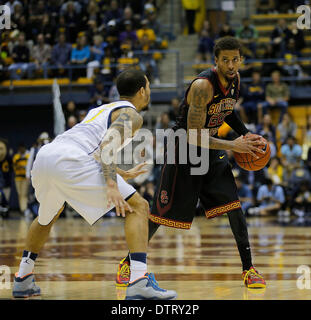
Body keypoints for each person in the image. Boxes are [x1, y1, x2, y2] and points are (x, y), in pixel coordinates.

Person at [12, 69, 177, 300]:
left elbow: (93, 149)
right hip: (71, 161)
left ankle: (23, 278)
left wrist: (119, 173)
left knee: (46, 216)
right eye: (148, 86)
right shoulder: (133, 115)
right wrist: (111, 183)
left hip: (46, 156)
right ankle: (139, 280)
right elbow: (107, 145)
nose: (149, 91)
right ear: (142, 91)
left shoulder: (101, 109)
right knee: (139, 207)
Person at [117, 37, 267, 289]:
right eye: (225, 60)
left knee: (234, 207)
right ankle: (128, 263)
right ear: (216, 61)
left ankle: (248, 269)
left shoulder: (236, 81)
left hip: (212, 151)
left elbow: (227, 109)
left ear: (241, 60)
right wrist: (233, 145)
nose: (231, 65)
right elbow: (195, 135)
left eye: (235, 60)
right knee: (160, 214)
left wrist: (244, 133)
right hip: (184, 151)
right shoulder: (202, 86)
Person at [12, 143, 30, 214]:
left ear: (24, 148)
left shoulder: (28, 155)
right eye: (20, 149)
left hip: (25, 178)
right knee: (20, 194)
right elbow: (14, 166)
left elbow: (29, 166)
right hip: (18, 178)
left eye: (22, 148)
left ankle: (24, 209)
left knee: (24, 194)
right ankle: (22, 209)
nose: (21, 150)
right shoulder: (16, 156)